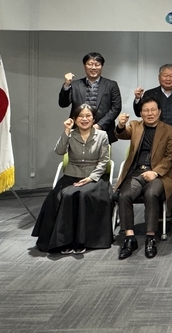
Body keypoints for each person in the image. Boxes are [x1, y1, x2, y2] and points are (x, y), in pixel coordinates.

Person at [32, 104, 112, 254]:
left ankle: (80, 241)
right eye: (81, 116)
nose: (84, 119)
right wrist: (66, 131)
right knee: (59, 195)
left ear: (93, 118)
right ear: (74, 119)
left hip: (94, 176)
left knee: (80, 194)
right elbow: (59, 151)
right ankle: (62, 241)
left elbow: (104, 161)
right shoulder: (71, 134)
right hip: (71, 174)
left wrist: (91, 178)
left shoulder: (102, 135)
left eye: (88, 116)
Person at [114, 97, 172, 259]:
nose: (150, 113)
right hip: (136, 172)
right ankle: (129, 238)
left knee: (151, 194)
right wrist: (120, 125)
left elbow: (171, 156)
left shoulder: (169, 130)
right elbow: (122, 134)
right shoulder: (135, 126)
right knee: (124, 195)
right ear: (141, 113)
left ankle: (150, 237)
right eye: (146, 110)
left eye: (153, 110)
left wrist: (155, 172)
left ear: (159, 112)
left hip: (158, 174)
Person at [132, 64, 172, 175]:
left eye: (171, 76)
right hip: (155, 138)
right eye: (165, 75)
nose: (168, 79)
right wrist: (137, 99)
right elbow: (138, 113)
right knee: (154, 167)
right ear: (159, 77)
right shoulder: (150, 93)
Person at [58, 52, 121, 143]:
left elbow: (116, 108)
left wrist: (99, 125)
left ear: (102, 66)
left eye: (97, 64)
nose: (93, 67)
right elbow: (63, 104)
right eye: (90, 64)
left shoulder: (111, 85)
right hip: (78, 131)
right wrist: (67, 85)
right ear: (84, 66)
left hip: (103, 131)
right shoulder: (75, 85)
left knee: (103, 153)